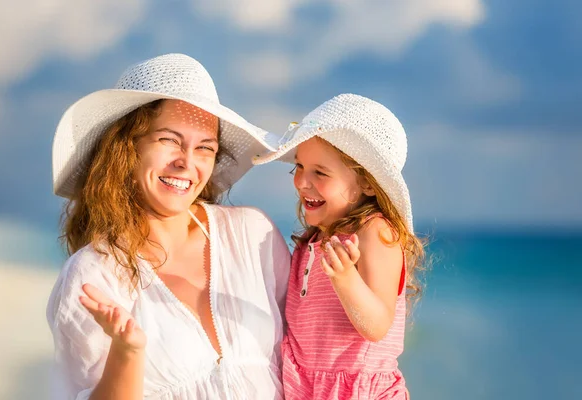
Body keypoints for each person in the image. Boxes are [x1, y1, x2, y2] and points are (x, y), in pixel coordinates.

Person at [47, 53, 290, 400]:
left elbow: (311, 353)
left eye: (205, 148)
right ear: (126, 148)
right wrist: (126, 352)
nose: (186, 162)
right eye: (169, 140)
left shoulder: (253, 236)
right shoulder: (92, 276)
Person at [253, 93, 426, 399]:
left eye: (320, 172)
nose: (302, 182)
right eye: (299, 168)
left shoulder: (375, 231)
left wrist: (346, 279)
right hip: (306, 389)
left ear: (369, 183)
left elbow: (376, 326)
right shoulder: (311, 243)